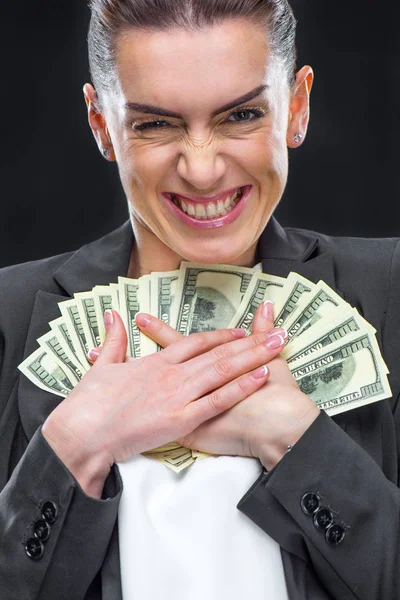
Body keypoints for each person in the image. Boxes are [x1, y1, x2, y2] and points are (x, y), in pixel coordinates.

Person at [1, 0, 400, 598]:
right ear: (100, 124)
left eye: (240, 114)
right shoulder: (9, 315)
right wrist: (74, 445)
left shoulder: (390, 289)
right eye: (155, 124)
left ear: (297, 106)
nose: (203, 169)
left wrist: (295, 438)